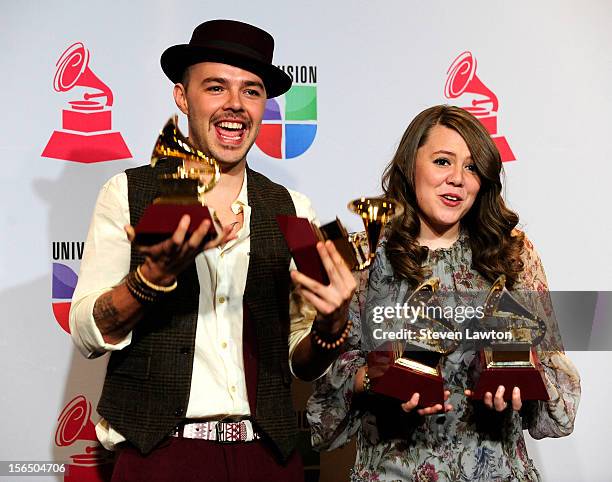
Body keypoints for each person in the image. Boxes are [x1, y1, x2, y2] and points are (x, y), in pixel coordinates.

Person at [69, 19, 355, 482]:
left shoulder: (292, 209)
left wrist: (333, 324)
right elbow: (85, 332)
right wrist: (148, 282)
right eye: (216, 87)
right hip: (158, 458)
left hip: (267, 460)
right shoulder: (128, 193)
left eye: (252, 91)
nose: (235, 106)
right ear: (182, 97)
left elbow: (301, 360)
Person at [306, 105, 580, 481]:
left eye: (471, 167)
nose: (457, 179)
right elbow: (323, 412)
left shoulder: (513, 254)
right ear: (409, 165)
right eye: (442, 161)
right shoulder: (365, 256)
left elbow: (559, 392)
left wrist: (521, 380)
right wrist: (373, 377)